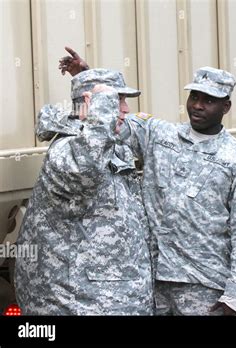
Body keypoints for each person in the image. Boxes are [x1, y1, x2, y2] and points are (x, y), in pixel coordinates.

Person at [60, 48, 236, 316]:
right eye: (194, 96)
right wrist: (88, 77)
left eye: (209, 100)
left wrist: (235, 297)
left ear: (226, 106)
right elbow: (115, 121)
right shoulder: (160, 135)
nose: (198, 105)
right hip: (152, 281)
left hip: (205, 288)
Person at [15, 69, 154, 315]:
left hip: (115, 299)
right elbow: (86, 166)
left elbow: (133, 133)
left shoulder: (109, 146)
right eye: (117, 101)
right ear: (92, 104)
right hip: (79, 303)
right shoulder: (67, 151)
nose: (125, 109)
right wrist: (100, 109)